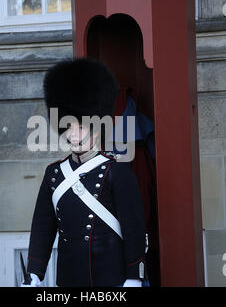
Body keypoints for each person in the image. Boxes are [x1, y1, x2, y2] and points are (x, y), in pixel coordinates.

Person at [22, 57, 146, 287]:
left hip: (112, 279)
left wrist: (134, 277)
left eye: (81, 127)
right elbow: (42, 228)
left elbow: (134, 229)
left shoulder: (117, 171)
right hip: (69, 279)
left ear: (97, 129)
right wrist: (34, 274)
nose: (74, 135)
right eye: (69, 127)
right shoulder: (54, 174)